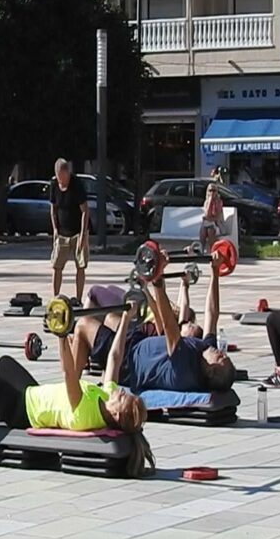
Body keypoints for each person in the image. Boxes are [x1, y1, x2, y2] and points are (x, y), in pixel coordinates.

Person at [0, 306, 154, 476]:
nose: (122, 392)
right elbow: (114, 357)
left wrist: (61, 336)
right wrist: (126, 317)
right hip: (32, 393)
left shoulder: (86, 411)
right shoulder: (107, 398)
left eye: (123, 398)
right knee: (5, 363)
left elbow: (68, 372)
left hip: (23, 411)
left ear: (115, 414)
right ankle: (1, 426)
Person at [114, 260, 236, 393]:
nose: (221, 352)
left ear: (210, 370)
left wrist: (157, 281)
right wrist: (215, 271)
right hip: (136, 340)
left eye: (220, 357)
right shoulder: (206, 352)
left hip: (125, 361)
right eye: (225, 355)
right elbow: (212, 314)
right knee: (108, 320)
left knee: (87, 325)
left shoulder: (185, 369)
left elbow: (168, 324)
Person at [49, 158, 89, 302]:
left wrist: (83, 235)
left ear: (68, 173)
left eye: (63, 178)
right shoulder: (54, 185)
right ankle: (55, 297)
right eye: (59, 178)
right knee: (57, 266)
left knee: (81, 266)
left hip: (78, 232)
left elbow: (85, 211)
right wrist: (54, 228)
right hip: (61, 233)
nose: (62, 181)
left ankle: (78, 298)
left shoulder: (77, 185)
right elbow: (53, 209)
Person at [199, 181, 224, 254]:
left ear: (217, 192)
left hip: (218, 224)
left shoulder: (219, 202)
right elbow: (207, 214)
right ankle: (201, 250)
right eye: (210, 190)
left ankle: (212, 251)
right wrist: (210, 201)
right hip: (208, 224)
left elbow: (217, 217)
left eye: (214, 190)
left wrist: (208, 218)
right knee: (203, 230)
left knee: (210, 230)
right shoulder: (206, 202)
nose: (212, 192)